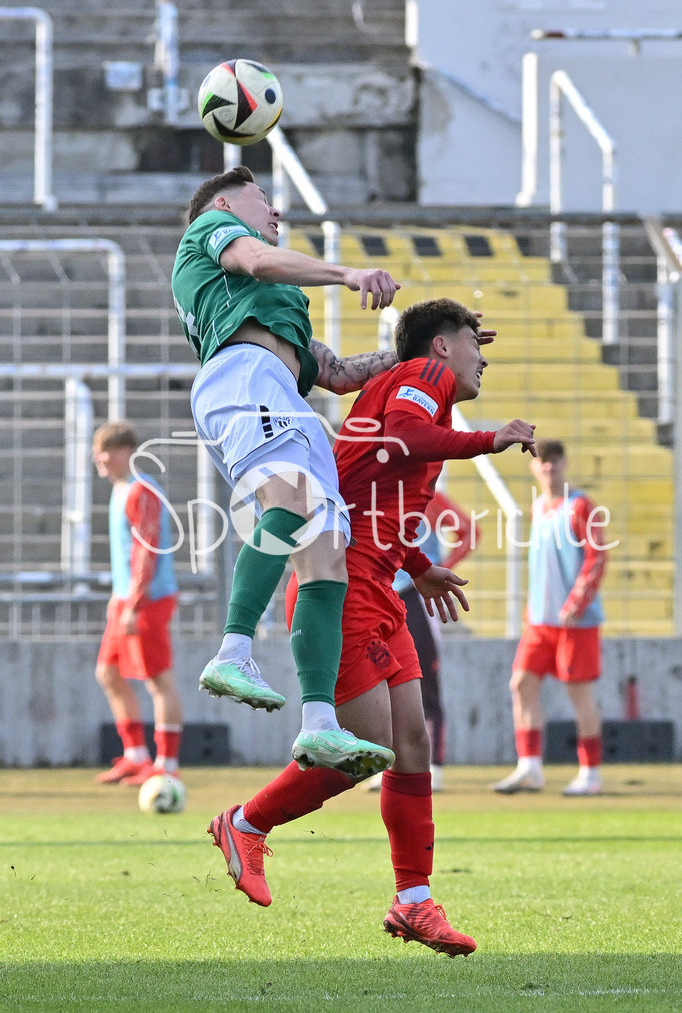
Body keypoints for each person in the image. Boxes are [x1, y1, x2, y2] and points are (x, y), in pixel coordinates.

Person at [206, 297, 537, 958]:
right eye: (476, 344)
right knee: (366, 749)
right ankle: (245, 823)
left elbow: (366, 491)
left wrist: (420, 563)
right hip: (343, 585)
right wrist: (488, 438)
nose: (483, 358)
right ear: (442, 347)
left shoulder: (411, 384)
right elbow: (409, 441)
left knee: (410, 742)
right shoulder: (427, 379)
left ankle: (413, 900)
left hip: (377, 581)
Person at [171, 165, 401, 779]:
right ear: (223, 202)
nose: (273, 213)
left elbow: (342, 374)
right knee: (292, 502)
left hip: (279, 395)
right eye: (263, 200)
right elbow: (260, 258)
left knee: (325, 554)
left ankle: (320, 722)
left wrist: (420, 355)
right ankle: (233, 648)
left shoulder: (279, 307)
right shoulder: (211, 231)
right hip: (243, 378)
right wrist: (348, 272)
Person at [492, 438, 608, 797]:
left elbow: (597, 556)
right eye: (543, 461)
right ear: (534, 467)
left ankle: (590, 772)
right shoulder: (539, 506)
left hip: (575, 620)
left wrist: (577, 601)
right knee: (521, 684)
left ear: (564, 464)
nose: (549, 467)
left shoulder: (580, 505)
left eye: (555, 461)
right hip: (540, 620)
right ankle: (530, 767)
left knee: (579, 693)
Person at [364, 491, 480, 792]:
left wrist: (441, 568)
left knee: (425, 679)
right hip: (384, 594)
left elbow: (469, 532)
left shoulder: (431, 499)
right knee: (385, 680)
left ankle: (434, 764)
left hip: (417, 596)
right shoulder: (382, 493)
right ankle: (391, 763)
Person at [92, 421, 183, 786]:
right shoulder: (120, 490)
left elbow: (147, 549)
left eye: (107, 448)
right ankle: (135, 755)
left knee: (157, 678)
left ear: (128, 451)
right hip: (125, 598)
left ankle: (167, 763)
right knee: (108, 672)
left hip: (147, 600)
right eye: (98, 449)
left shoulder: (141, 491)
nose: (99, 457)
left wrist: (133, 602)